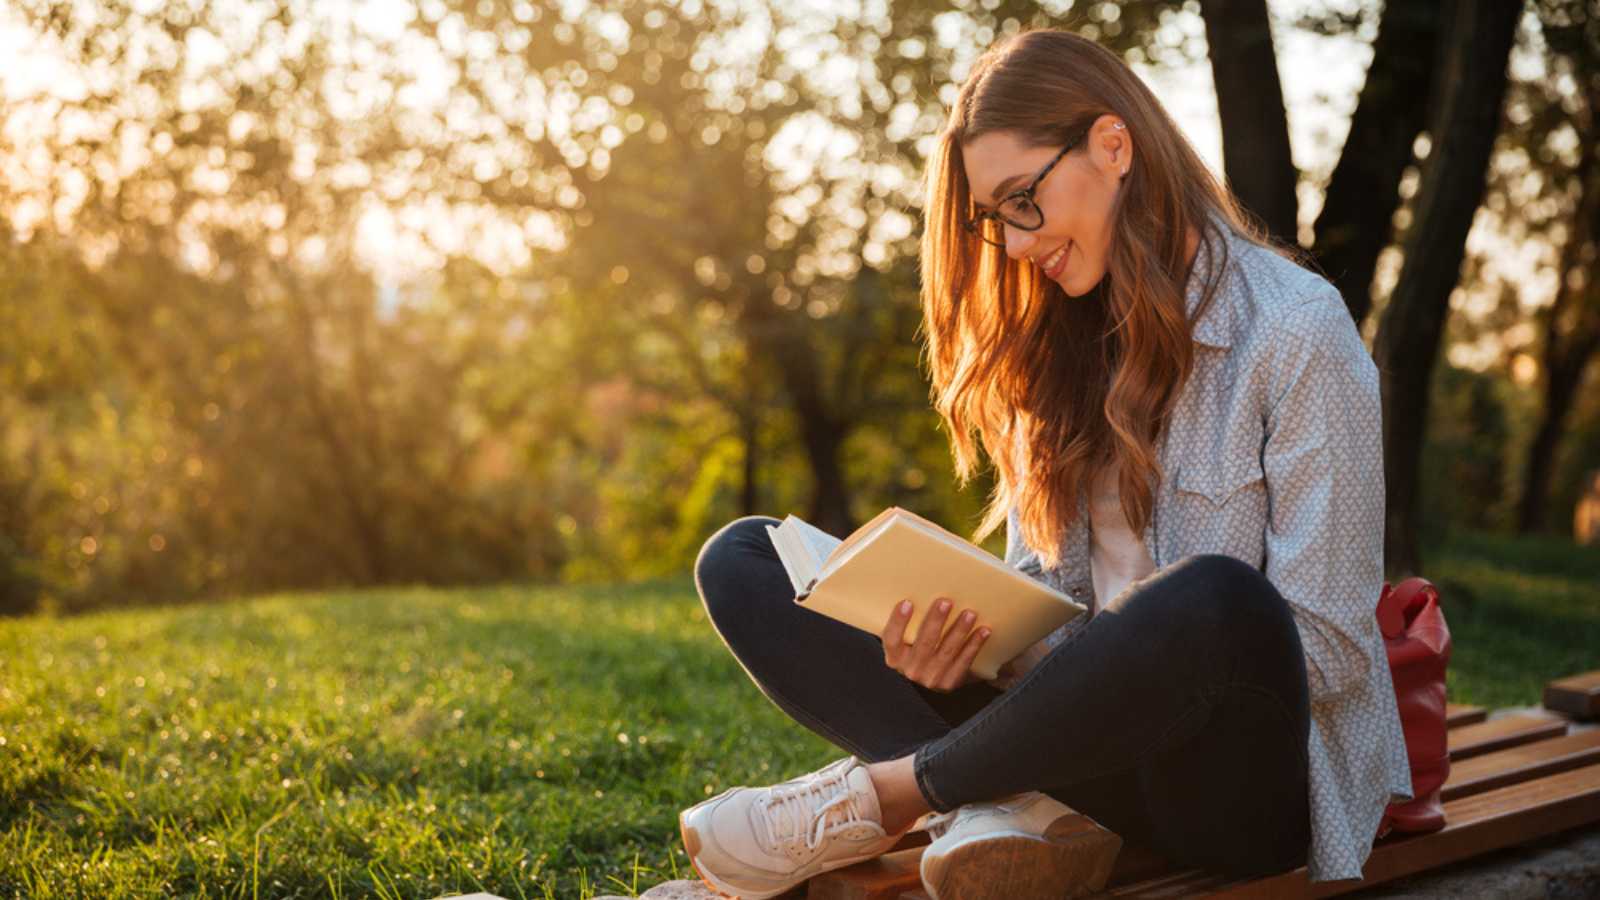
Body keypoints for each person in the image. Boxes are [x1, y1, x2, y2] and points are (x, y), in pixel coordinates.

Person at [681, 27, 1411, 900]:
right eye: (996, 219)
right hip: (1069, 757)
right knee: (746, 558)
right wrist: (970, 649)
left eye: (1023, 199)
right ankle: (1007, 805)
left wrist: (1108, 668)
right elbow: (1040, 604)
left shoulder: (1296, 332)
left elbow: (1327, 651)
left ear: (1112, 146)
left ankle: (891, 796)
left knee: (1215, 597)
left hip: (1233, 787)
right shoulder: (1055, 341)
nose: (1017, 244)